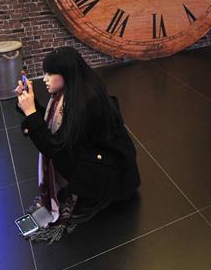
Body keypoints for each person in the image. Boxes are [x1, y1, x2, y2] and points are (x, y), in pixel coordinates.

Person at [16, 47, 140, 238]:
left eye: (50, 73)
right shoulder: (71, 92)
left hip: (112, 169)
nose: (45, 79)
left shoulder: (85, 100)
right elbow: (52, 128)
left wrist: (31, 112)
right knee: (65, 154)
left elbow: (53, 146)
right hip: (100, 155)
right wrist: (28, 106)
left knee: (63, 158)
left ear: (66, 74)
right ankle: (88, 190)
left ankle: (94, 197)